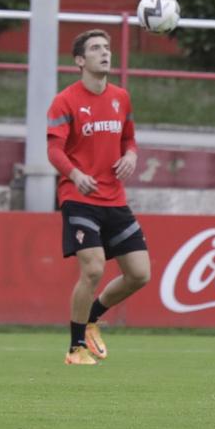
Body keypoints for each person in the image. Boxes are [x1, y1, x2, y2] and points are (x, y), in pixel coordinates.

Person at [47, 27, 150, 366]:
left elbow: (130, 140)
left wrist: (132, 156)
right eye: (95, 48)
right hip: (79, 196)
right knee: (92, 269)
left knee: (139, 274)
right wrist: (75, 174)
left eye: (107, 47)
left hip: (115, 199)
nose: (105, 53)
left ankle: (91, 318)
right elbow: (54, 149)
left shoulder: (122, 96)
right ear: (80, 60)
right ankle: (75, 348)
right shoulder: (65, 101)